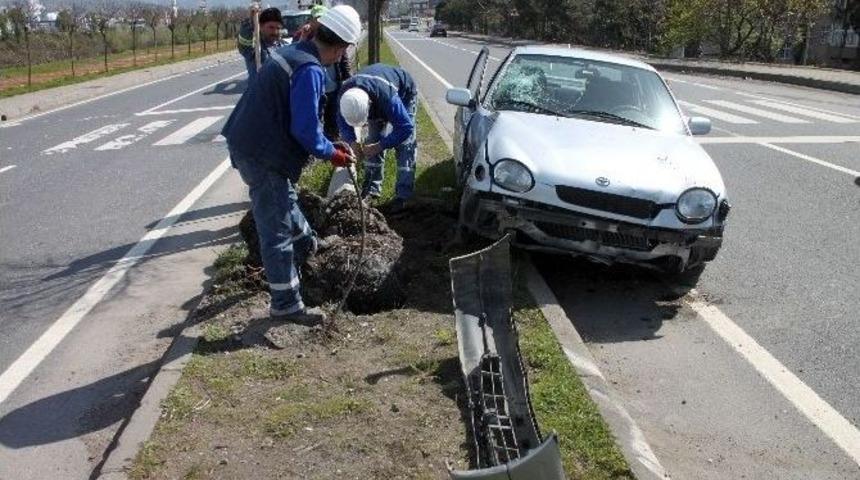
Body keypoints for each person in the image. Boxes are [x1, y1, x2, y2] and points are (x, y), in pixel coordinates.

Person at [221, 5, 362, 323]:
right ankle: (285, 304)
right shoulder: (310, 69)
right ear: (341, 48)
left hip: (252, 141)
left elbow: (301, 121)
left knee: (285, 199)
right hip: (262, 153)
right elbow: (306, 132)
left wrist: (331, 143)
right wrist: (333, 153)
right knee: (276, 232)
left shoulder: (296, 51)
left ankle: (309, 245)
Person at [338, 64, 418, 211]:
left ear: (369, 105)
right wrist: (352, 142)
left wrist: (380, 146)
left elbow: (405, 128)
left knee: (405, 146)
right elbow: (343, 124)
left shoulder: (388, 97)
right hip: (376, 100)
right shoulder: (345, 97)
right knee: (372, 140)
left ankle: (403, 196)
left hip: (403, 94)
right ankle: (371, 189)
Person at [293, 4, 352, 140]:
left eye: (324, 19)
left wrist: (348, 80)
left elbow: (343, 60)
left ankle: (333, 140)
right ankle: (318, 143)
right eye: (317, 19)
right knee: (316, 117)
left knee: (333, 116)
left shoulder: (334, 36)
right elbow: (295, 53)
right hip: (315, 88)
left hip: (333, 86)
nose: (320, 22)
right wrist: (303, 36)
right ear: (311, 20)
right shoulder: (303, 35)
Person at [236, 5, 286, 83]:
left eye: (278, 28)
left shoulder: (284, 46)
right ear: (261, 27)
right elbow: (244, 43)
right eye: (271, 27)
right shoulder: (255, 48)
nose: (275, 32)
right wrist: (252, 20)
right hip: (259, 93)